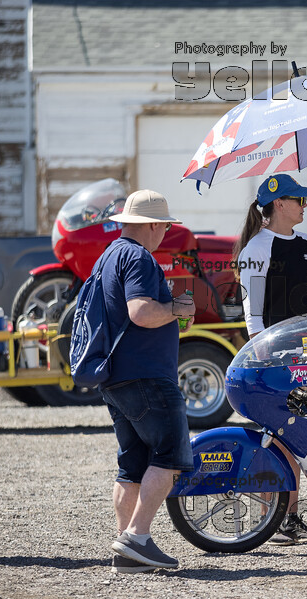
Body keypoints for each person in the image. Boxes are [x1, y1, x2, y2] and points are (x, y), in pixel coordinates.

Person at [235, 174, 307, 545]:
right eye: (298, 199)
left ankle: (285, 518)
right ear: (278, 204)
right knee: (279, 438)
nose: (304, 205)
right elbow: (252, 311)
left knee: (294, 436)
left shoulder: (306, 245)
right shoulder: (257, 246)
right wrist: (261, 355)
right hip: (275, 359)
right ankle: (279, 518)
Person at [100, 190, 196, 573]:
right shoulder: (140, 256)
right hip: (147, 375)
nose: (166, 233)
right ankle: (136, 537)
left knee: (132, 465)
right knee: (170, 456)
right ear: (153, 224)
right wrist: (177, 307)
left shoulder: (109, 255)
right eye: (165, 226)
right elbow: (140, 312)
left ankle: (127, 549)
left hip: (117, 376)